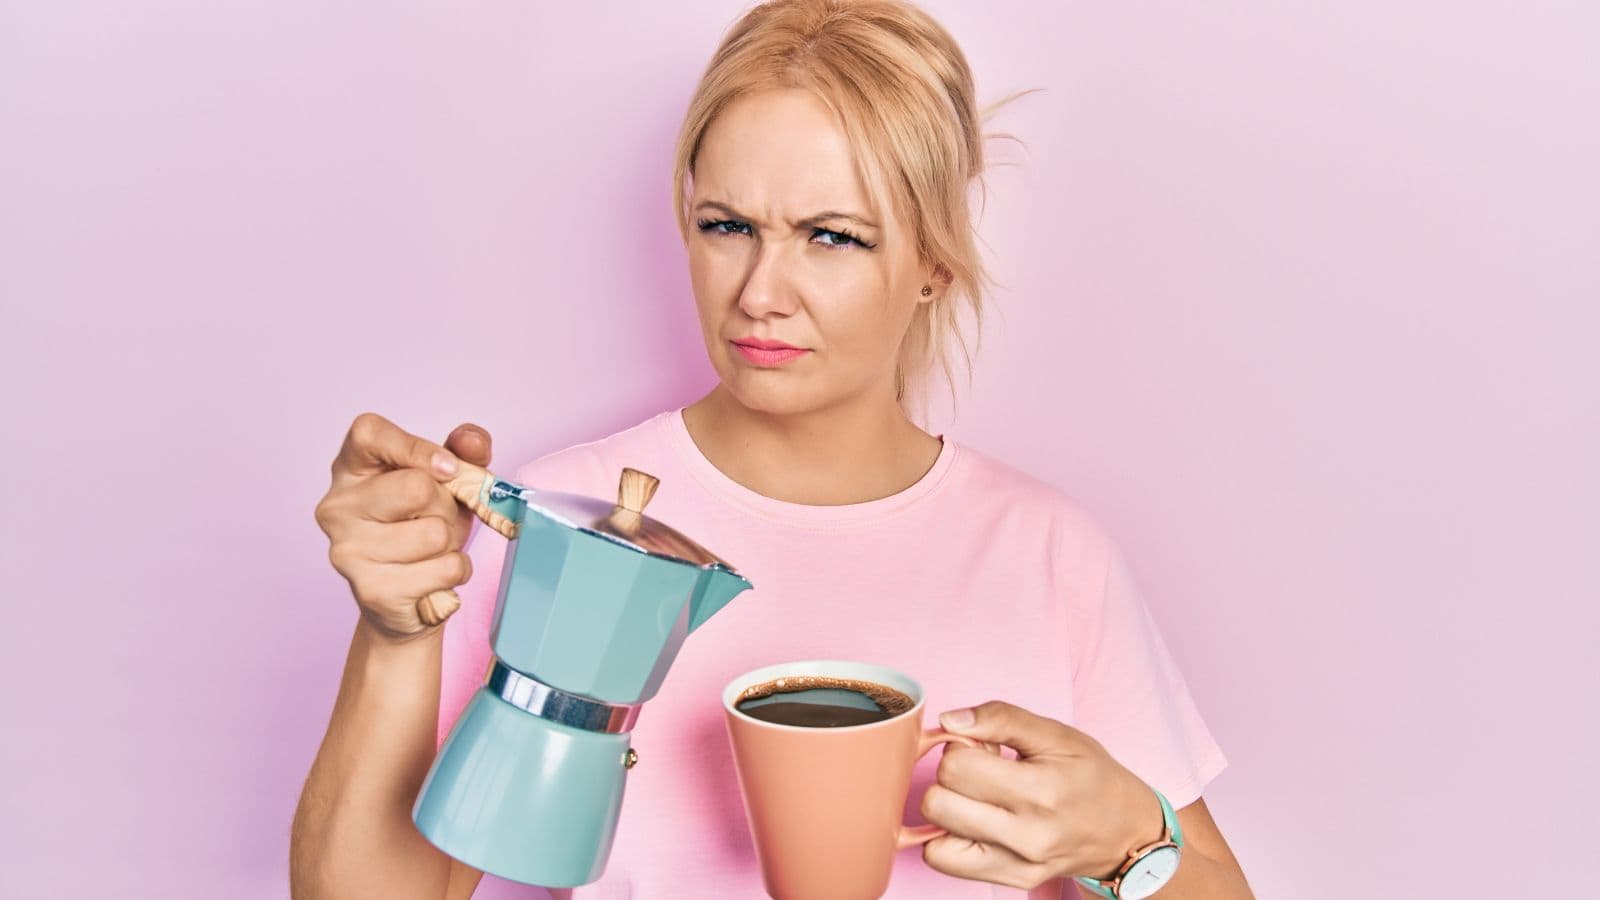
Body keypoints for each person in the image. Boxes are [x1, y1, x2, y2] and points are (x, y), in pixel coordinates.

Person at [291, 1, 1254, 898]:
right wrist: (394, 634)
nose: (759, 291)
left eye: (831, 237)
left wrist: (1132, 840)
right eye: (728, 227)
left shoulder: (1049, 552)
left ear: (931, 262)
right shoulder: (563, 525)